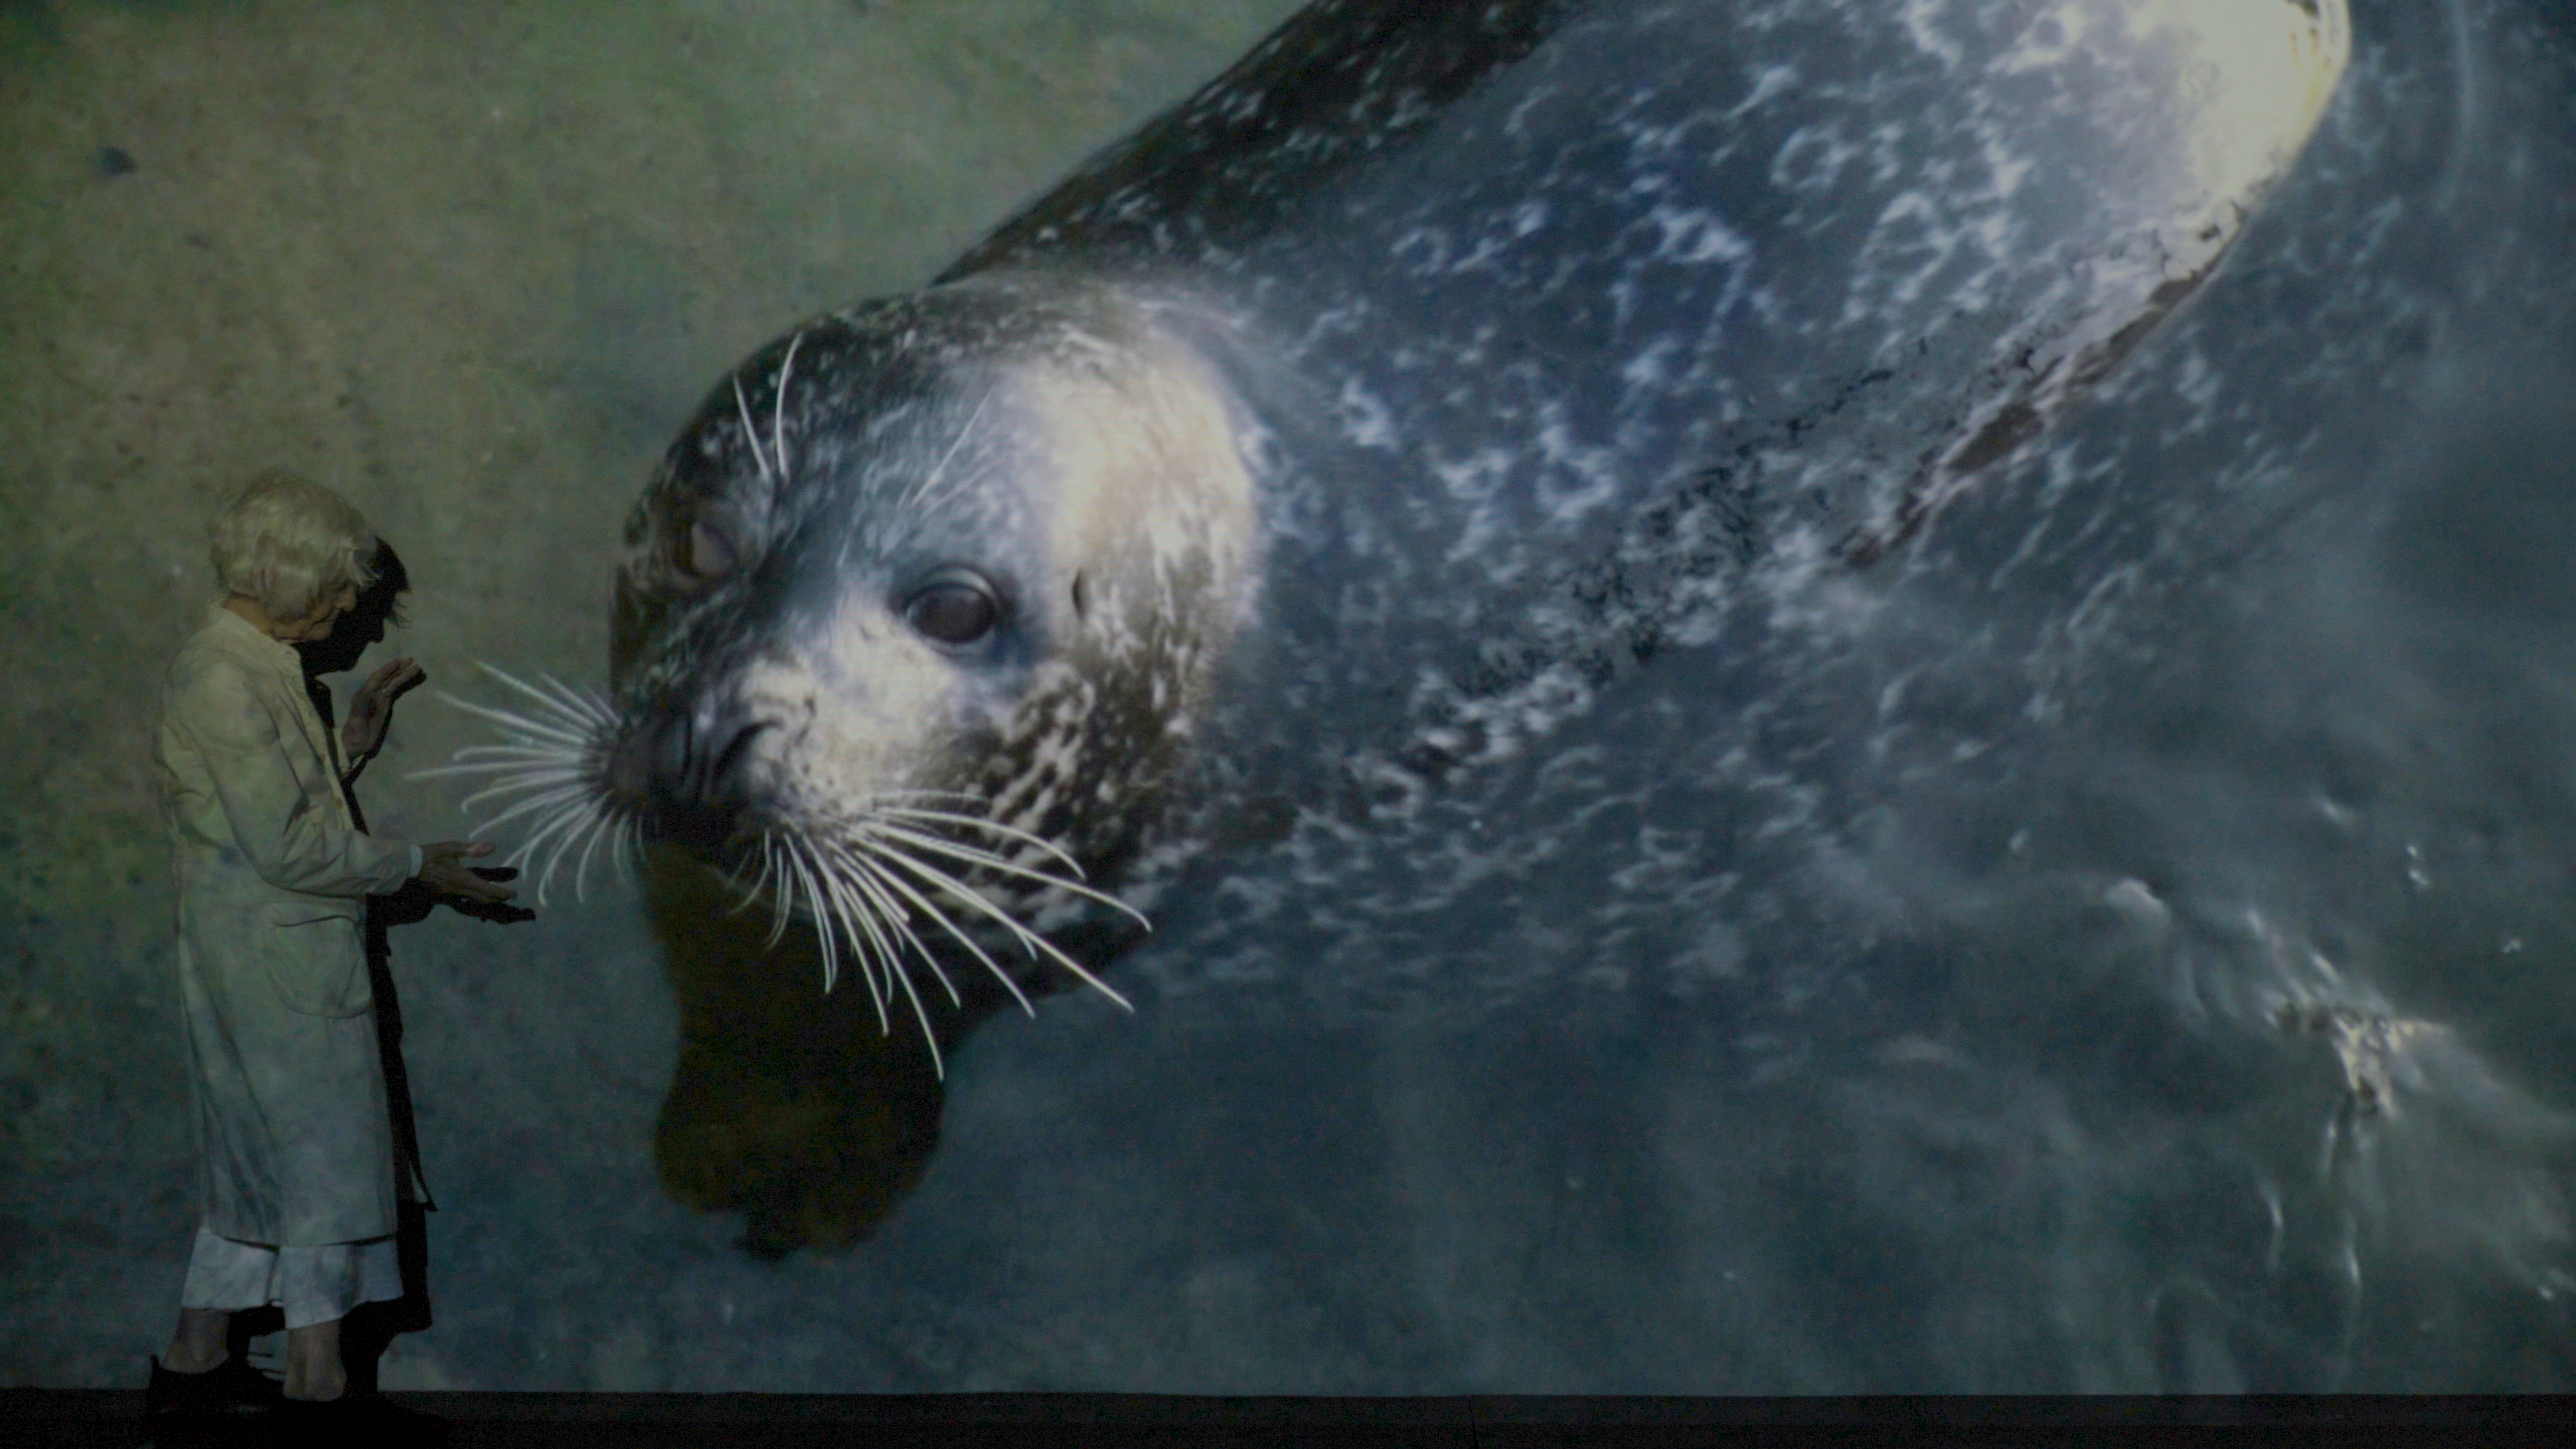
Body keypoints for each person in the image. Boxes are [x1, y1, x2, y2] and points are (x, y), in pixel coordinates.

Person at [142, 471, 516, 1438]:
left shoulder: (250, 665)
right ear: (287, 571)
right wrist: (416, 865)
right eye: (343, 585)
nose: (353, 605)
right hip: (279, 970)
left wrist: (347, 748)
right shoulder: (226, 675)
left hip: (263, 959)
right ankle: (316, 1388)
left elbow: (256, 816)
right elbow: (291, 849)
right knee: (323, 1171)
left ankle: (194, 1364)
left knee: (260, 1169)